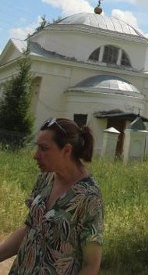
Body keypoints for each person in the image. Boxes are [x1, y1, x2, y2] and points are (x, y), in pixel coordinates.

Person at [0, 117, 104, 274]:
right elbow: (31, 229)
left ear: (66, 150)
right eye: (37, 147)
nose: (36, 155)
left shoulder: (89, 196)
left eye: (44, 148)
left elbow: (91, 265)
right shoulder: (45, 178)